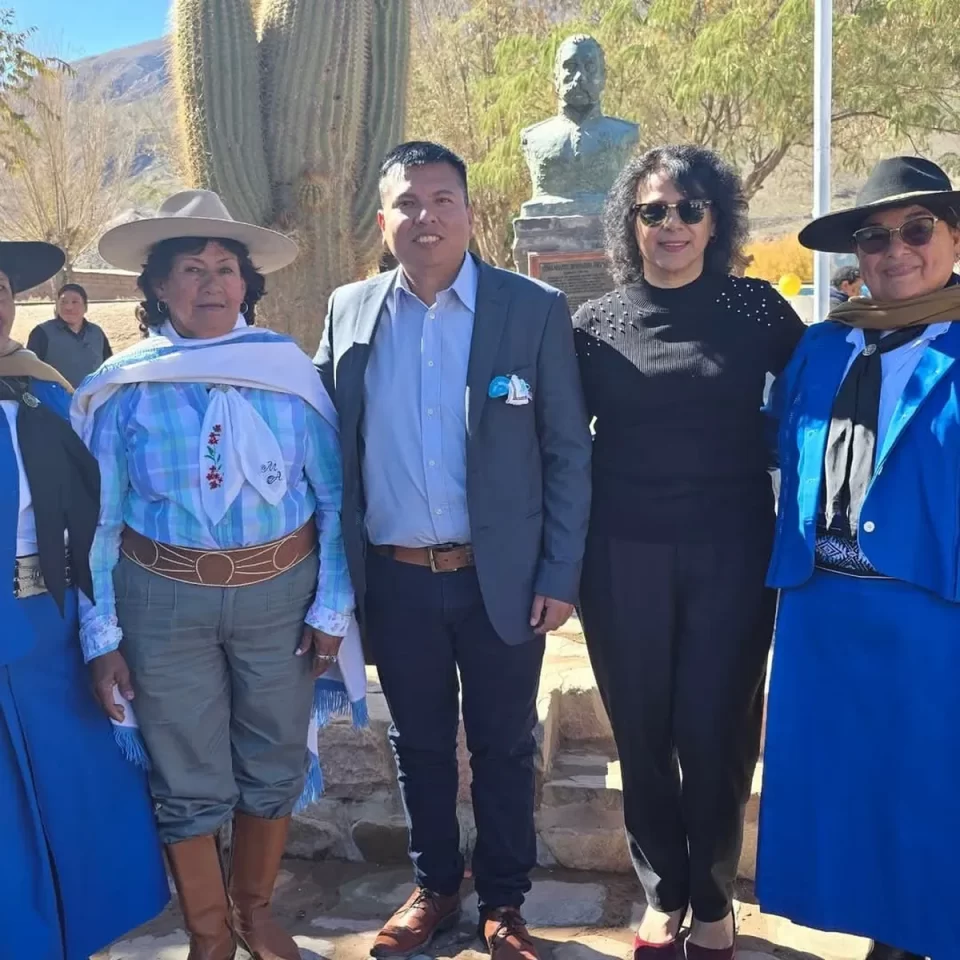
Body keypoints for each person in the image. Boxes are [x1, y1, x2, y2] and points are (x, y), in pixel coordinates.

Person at [316, 141, 592, 960]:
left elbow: (567, 452)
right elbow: (327, 447)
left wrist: (560, 573)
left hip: (499, 581)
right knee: (420, 741)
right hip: (397, 580)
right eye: (407, 203)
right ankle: (437, 884)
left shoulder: (530, 308)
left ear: (470, 212)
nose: (425, 217)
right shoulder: (349, 310)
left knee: (505, 743)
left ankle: (504, 901)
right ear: (383, 220)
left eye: (442, 200)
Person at [73, 189, 366, 960]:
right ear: (158, 287)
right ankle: (208, 934)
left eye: (225, 268)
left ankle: (255, 911)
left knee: (274, 750)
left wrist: (331, 610)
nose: (212, 282)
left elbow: (334, 503)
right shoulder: (125, 387)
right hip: (160, 599)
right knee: (184, 762)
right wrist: (101, 633)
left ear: (247, 283)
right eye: (191, 269)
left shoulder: (289, 377)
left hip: (280, 596)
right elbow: (100, 521)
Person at [572, 145, 806, 960]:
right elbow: (562, 445)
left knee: (717, 728)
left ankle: (712, 899)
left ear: (716, 221)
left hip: (733, 554)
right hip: (620, 555)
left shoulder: (758, 312)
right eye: (652, 211)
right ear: (629, 224)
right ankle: (661, 892)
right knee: (640, 729)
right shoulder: (593, 325)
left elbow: (817, 405)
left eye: (688, 209)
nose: (670, 225)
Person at [759, 155, 960, 960]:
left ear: (952, 237)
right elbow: (784, 448)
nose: (895, 250)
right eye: (874, 237)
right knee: (850, 791)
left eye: (917, 230)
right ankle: (889, 932)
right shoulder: (822, 347)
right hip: (822, 608)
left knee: (926, 793)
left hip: (929, 613)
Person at [0, 241, 170, 957]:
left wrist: (102, 640)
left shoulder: (42, 392)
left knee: (81, 806)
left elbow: (97, 524)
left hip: (54, 633)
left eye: (0, 289)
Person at [26, 282, 113, 387]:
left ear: (85, 307)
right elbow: (30, 371)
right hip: (56, 400)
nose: (68, 307)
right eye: (63, 302)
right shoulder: (42, 333)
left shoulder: (96, 332)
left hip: (93, 398)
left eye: (75, 302)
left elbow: (108, 366)